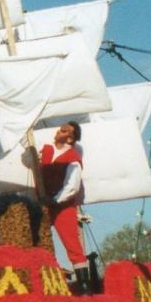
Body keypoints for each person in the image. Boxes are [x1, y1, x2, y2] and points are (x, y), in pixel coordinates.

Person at [38, 121, 89, 288]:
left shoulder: (73, 158)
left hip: (62, 206)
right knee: (38, 239)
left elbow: (72, 186)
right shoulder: (46, 150)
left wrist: (54, 200)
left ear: (69, 138)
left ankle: (84, 287)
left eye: (64, 130)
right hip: (43, 203)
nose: (58, 131)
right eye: (61, 128)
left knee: (72, 245)